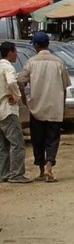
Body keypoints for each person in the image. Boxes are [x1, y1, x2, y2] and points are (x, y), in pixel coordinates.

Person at [18, 32, 71, 183]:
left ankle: (42, 171)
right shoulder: (59, 62)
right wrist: (63, 105)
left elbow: (20, 81)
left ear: (36, 45)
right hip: (55, 107)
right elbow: (65, 86)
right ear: (48, 44)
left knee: (38, 139)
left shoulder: (31, 62)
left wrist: (25, 99)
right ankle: (49, 165)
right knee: (53, 138)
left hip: (36, 107)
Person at [0, 42, 31, 183]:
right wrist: (16, 96)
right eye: (15, 52)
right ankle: (16, 174)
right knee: (17, 143)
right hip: (8, 110)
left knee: (3, 145)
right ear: (10, 52)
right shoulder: (8, 67)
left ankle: (4, 173)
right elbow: (12, 82)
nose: (16, 55)